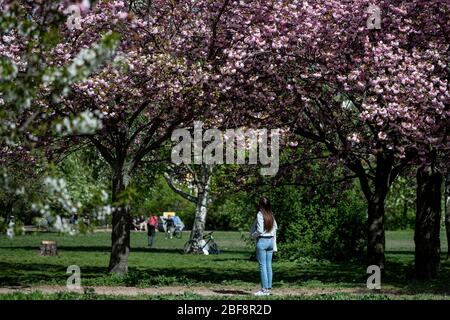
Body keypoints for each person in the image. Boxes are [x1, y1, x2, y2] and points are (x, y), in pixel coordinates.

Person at [250, 196, 278, 296]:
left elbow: (260, 230)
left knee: (262, 266)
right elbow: (275, 229)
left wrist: (252, 236)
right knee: (269, 266)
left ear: (260, 205)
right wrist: (274, 245)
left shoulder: (260, 214)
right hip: (271, 240)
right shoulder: (271, 215)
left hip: (262, 241)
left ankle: (263, 290)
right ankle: (268, 289)